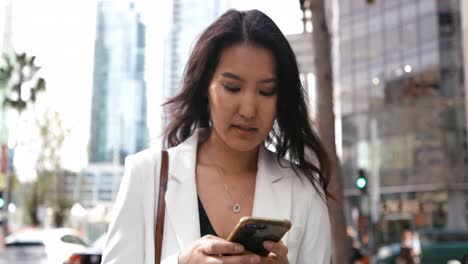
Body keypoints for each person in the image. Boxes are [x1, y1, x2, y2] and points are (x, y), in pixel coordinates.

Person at [101, 9, 332, 264]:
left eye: (266, 91)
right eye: (232, 87)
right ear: (204, 87)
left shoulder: (305, 193)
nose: (248, 110)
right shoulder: (146, 175)